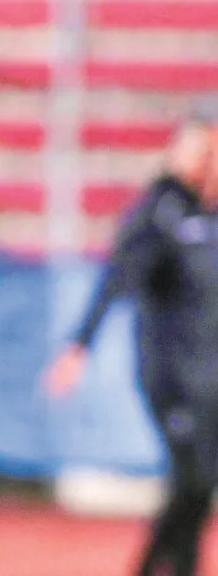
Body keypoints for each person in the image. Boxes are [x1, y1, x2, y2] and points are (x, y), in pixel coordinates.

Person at [45, 111, 218, 576]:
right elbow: (116, 279)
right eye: (204, 151)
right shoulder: (157, 212)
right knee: (192, 478)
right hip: (171, 374)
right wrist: (79, 346)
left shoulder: (211, 215)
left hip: (211, 380)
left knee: (201, 487)